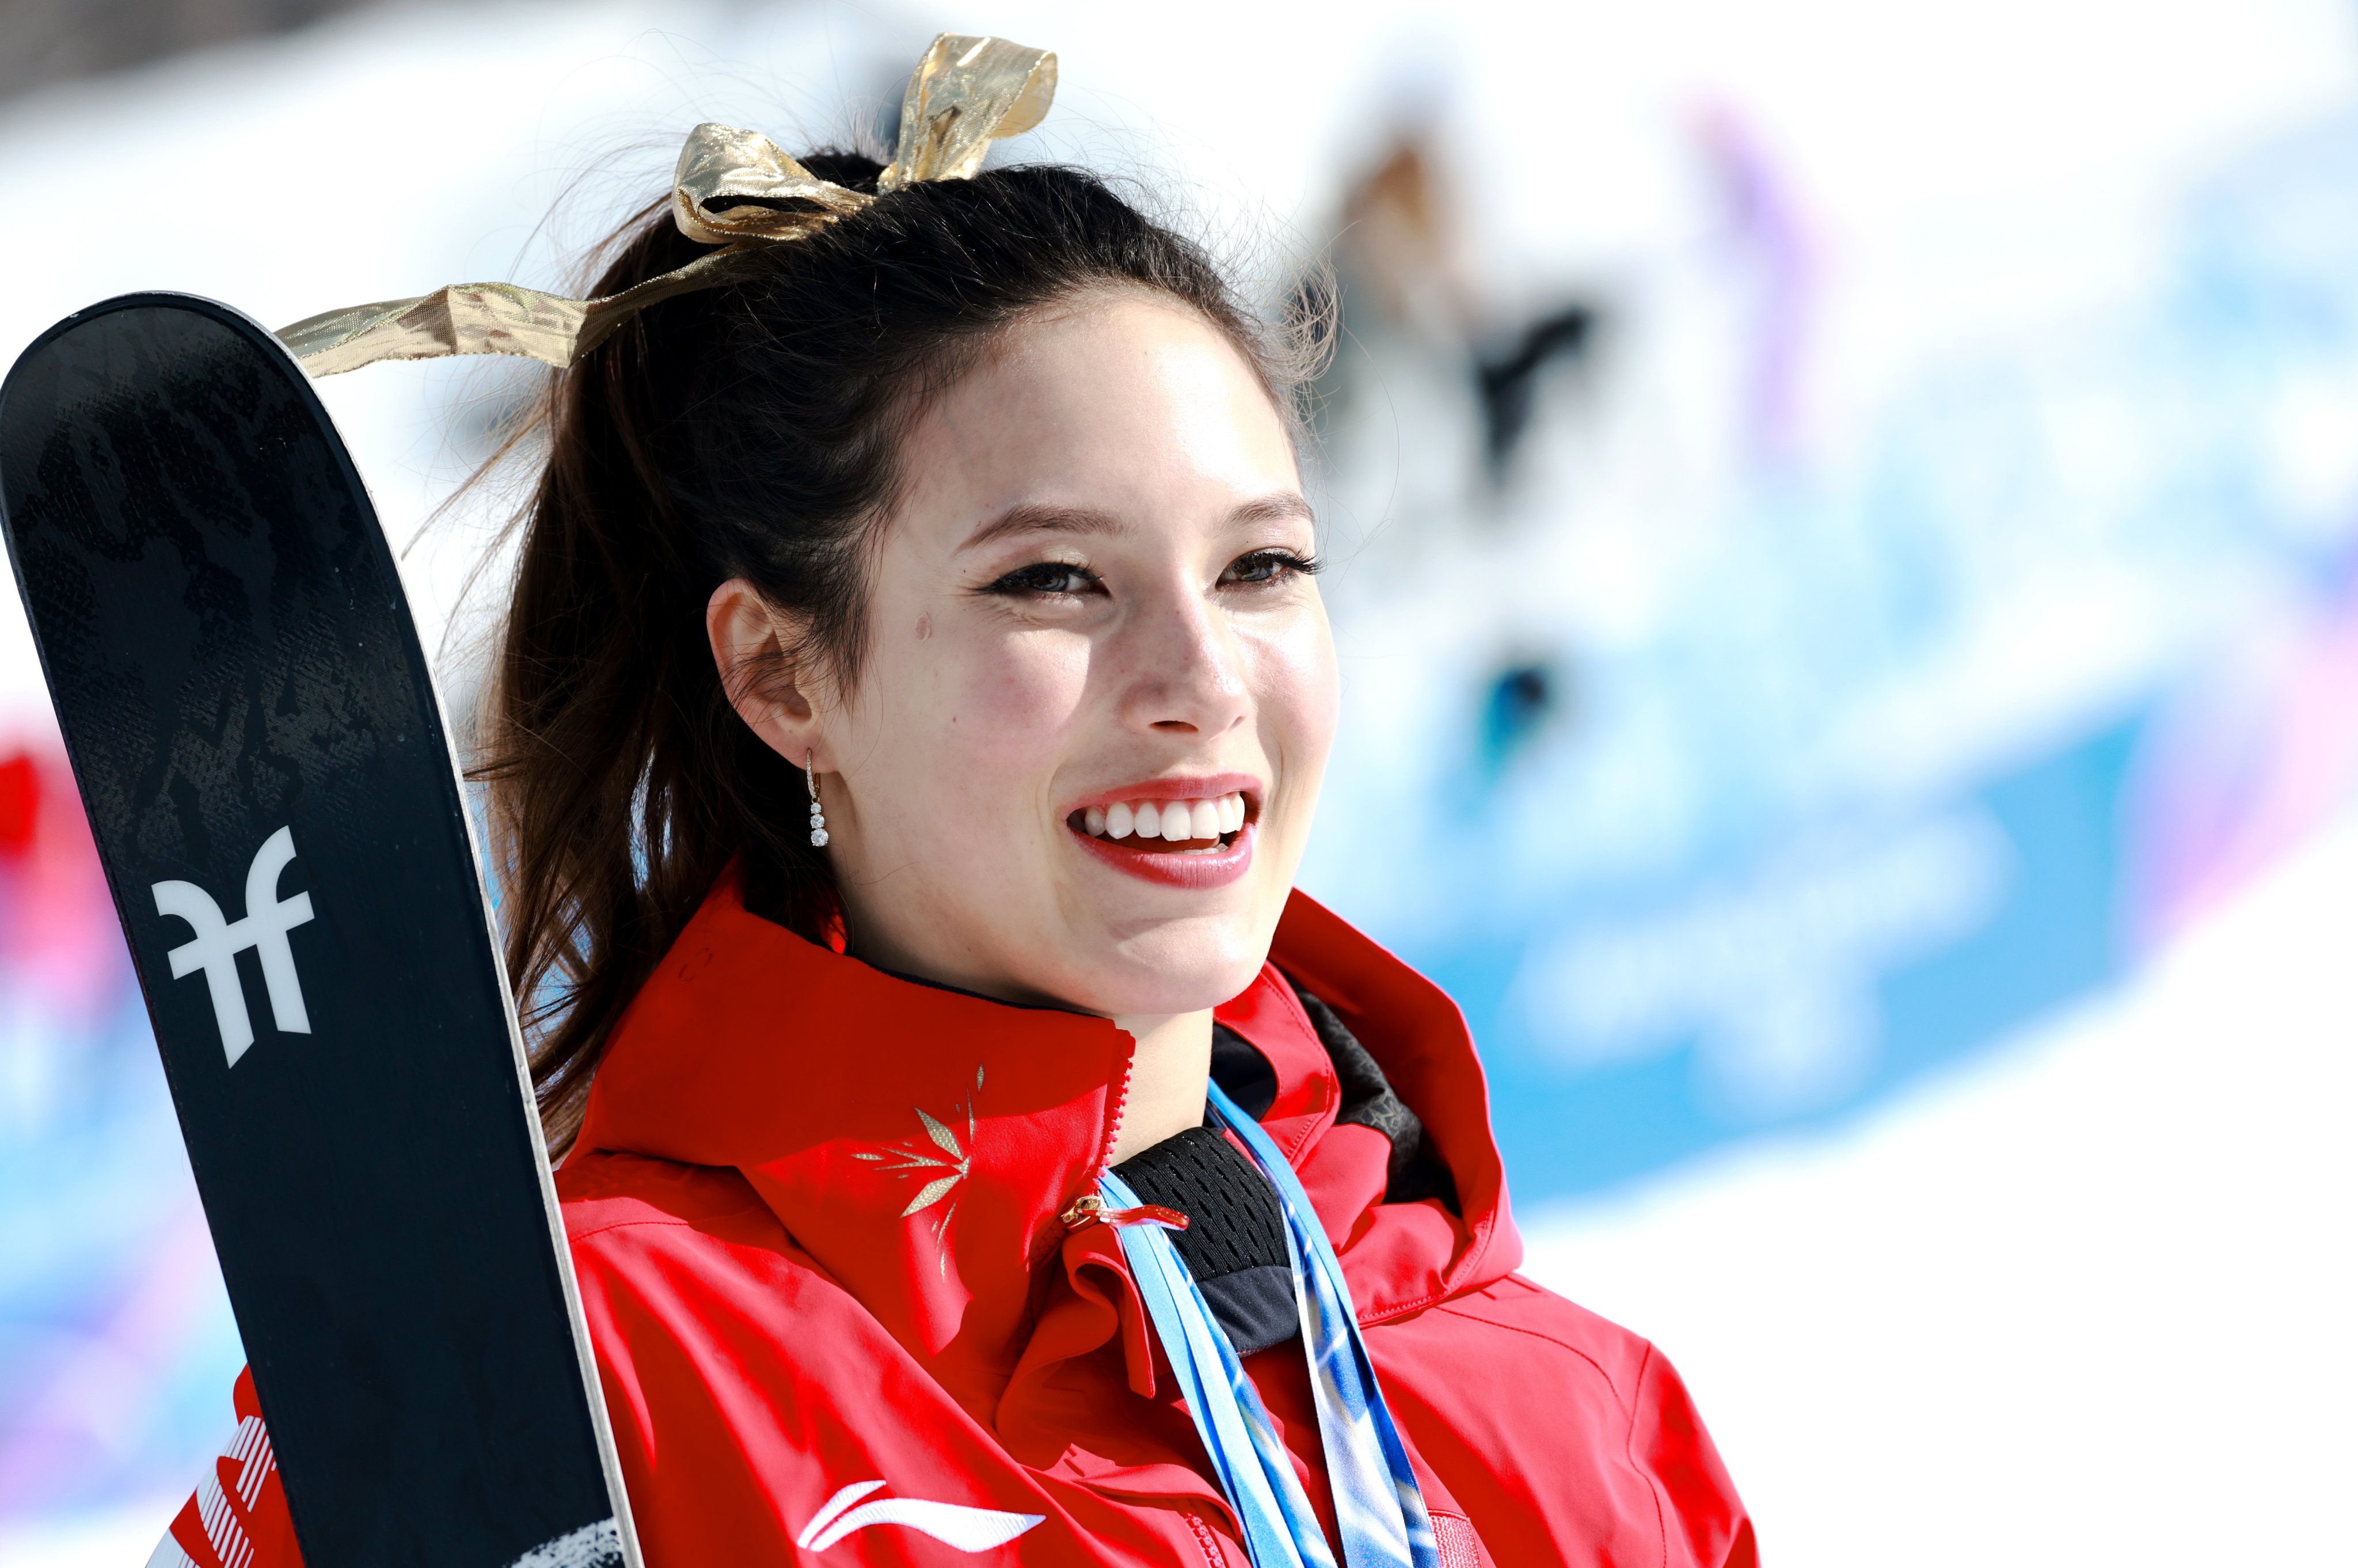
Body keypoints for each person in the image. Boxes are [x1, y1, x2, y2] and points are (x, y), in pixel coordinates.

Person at [150, 34, 1754, 1568]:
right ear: (785, 674)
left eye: (1261, 565)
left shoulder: (1573, 1414)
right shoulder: (580, 1384)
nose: (1199, 673)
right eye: (1054, 580)